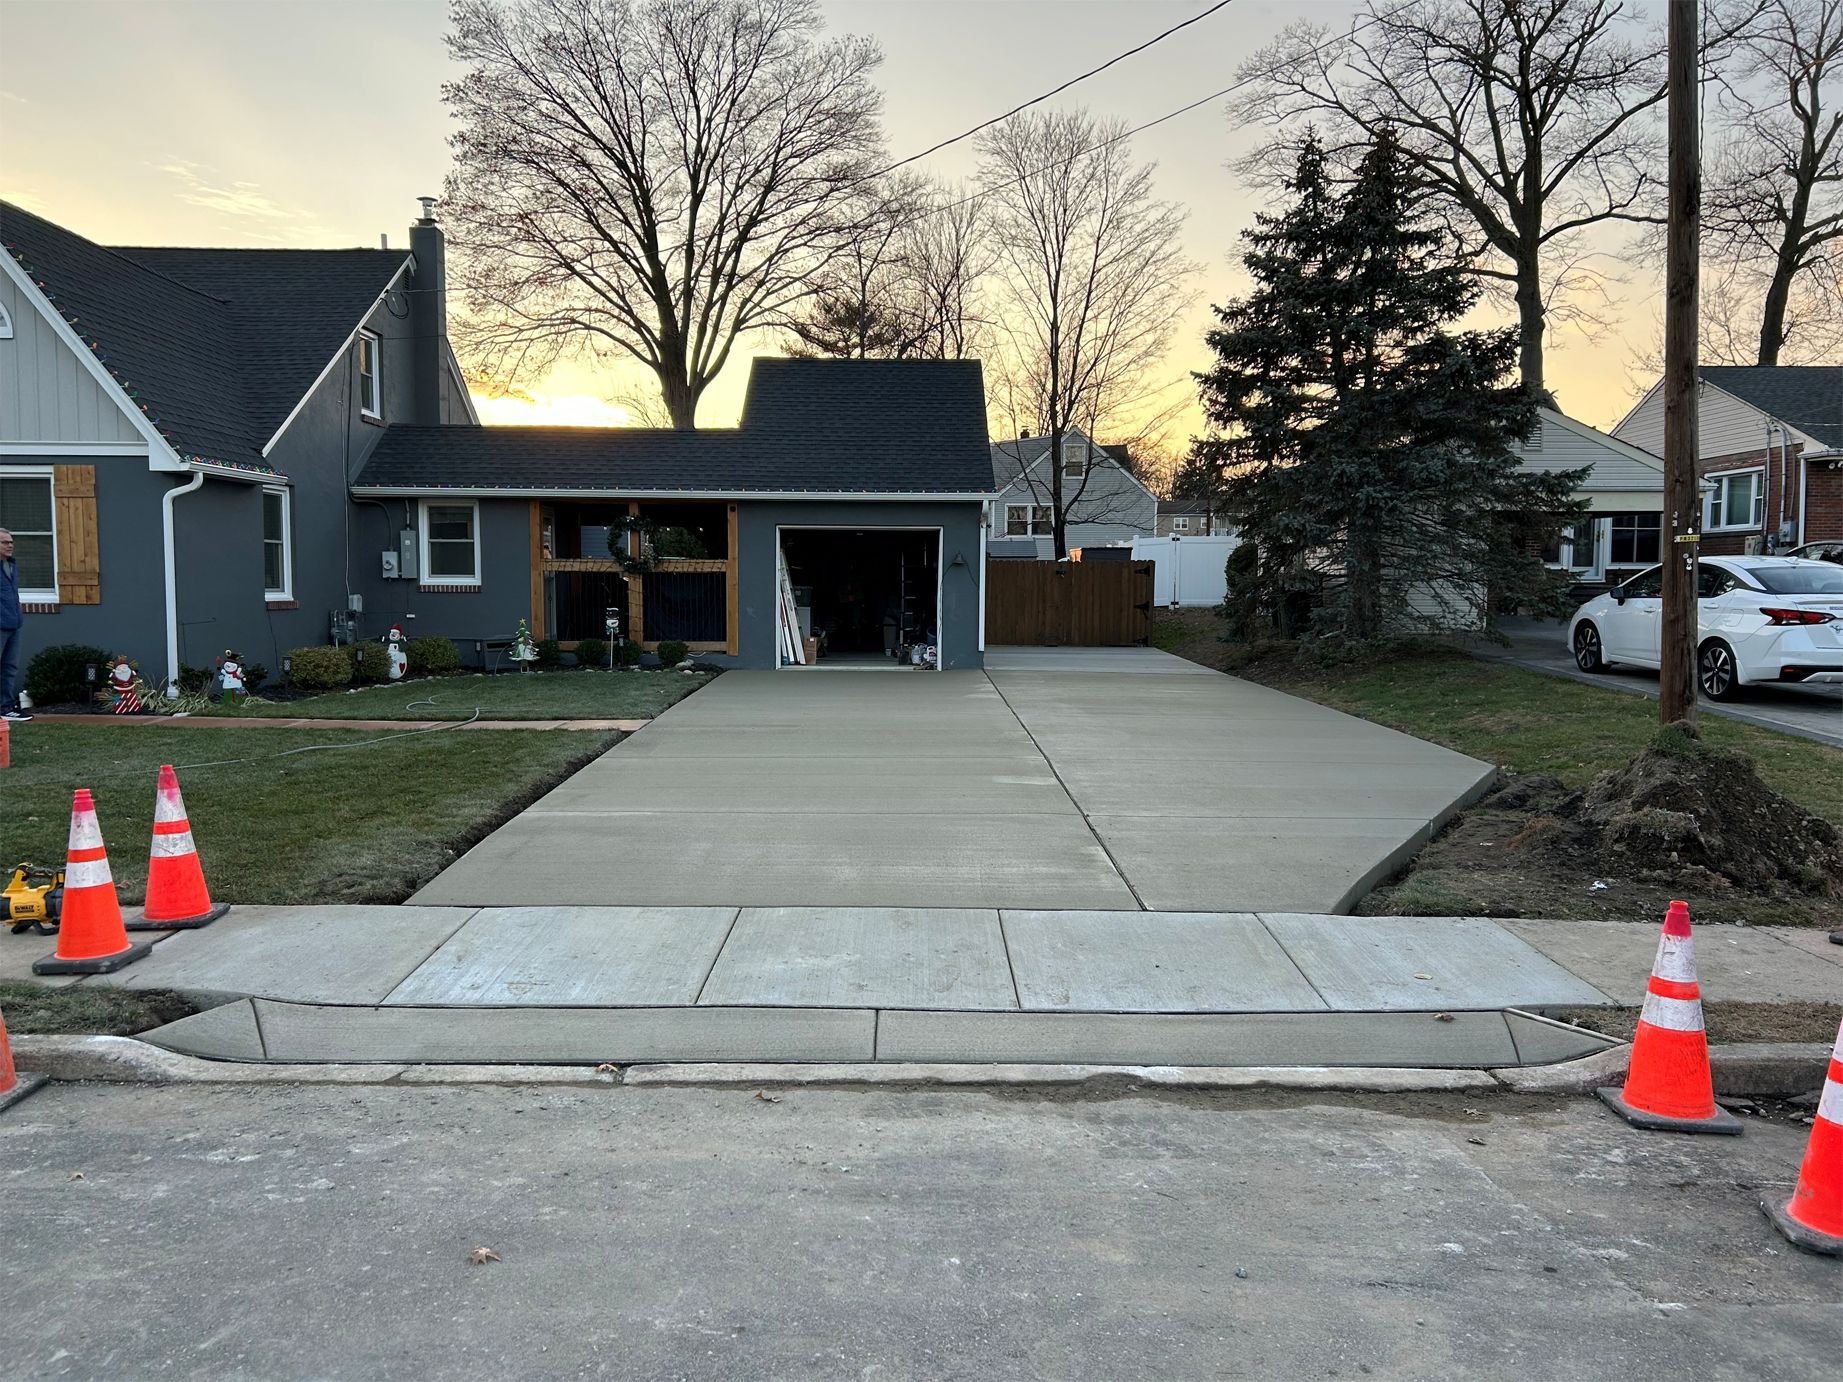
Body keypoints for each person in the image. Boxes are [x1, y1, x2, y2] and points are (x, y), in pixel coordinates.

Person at [0, 526, 28, 722]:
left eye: (11, 542)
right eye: (5, 542)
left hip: (14, 625)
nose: (10, 545)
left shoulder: (11, 565)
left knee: (9, 667)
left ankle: (6, 707)